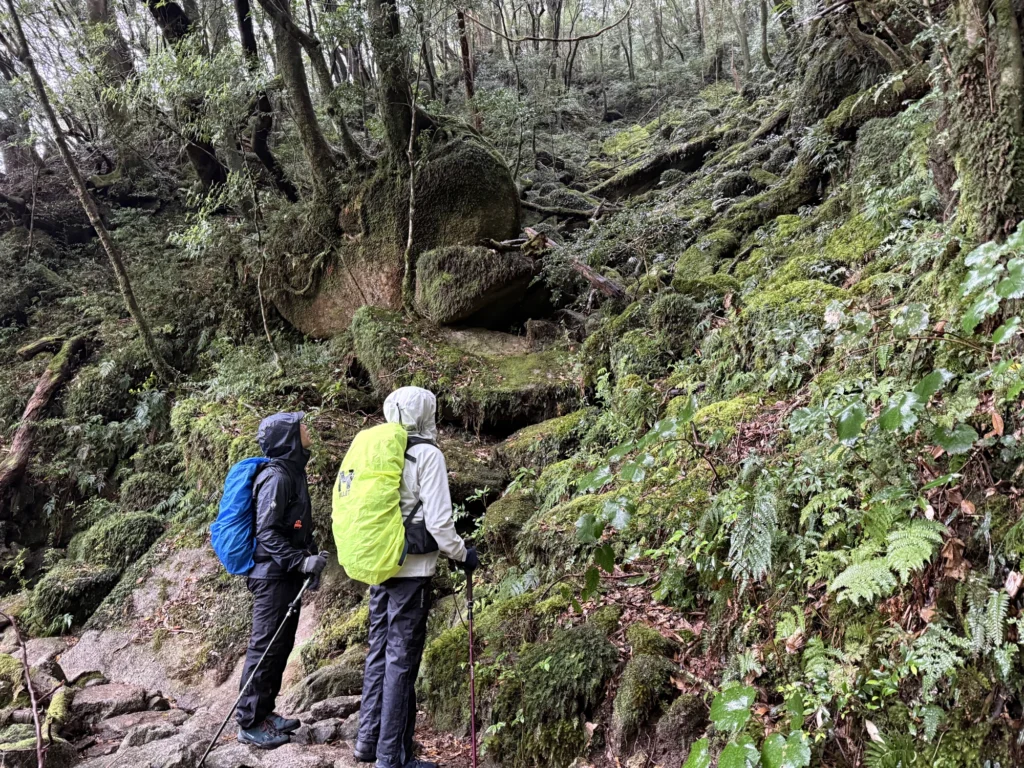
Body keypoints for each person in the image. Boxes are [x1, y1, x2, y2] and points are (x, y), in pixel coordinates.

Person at [353, 387, 479, 768]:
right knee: (401, 661)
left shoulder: (380, 450)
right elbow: (439, 524)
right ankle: (392, 757)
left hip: (380, 564)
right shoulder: (427, 455)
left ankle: (369, 741)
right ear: (425, 414)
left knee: (379, 651)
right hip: (412, 572)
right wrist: (463, 554)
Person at [237, 411, 328, 749]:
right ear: (288, 438)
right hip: (271, 576)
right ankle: (249, 722)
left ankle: (265, 713)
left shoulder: (293, 471)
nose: (306, 429)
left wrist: (309, 561)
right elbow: (267, 533)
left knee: (281, 647)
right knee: (266, 648)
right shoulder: (276, 477)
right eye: (300, 426)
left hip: (285, 575)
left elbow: (296, 527)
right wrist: (300, 562)